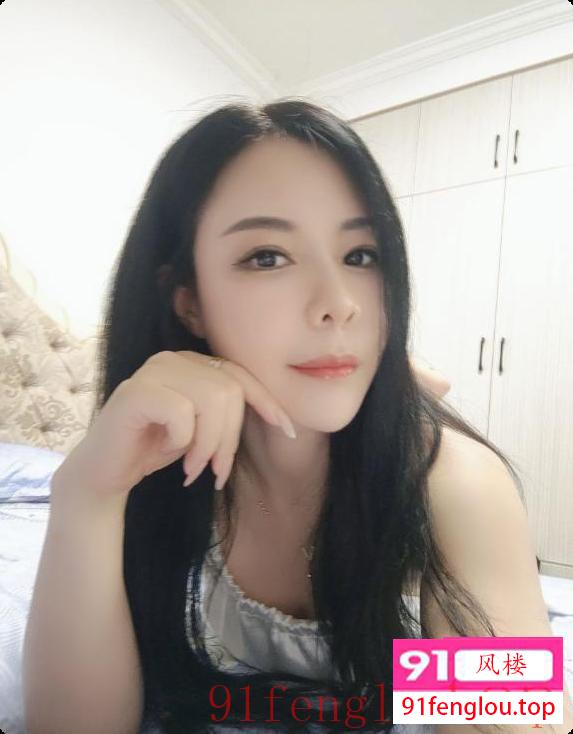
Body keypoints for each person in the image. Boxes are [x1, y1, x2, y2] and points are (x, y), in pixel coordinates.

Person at [23, 98, 572, 734]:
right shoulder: (159, 464)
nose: (339, 303)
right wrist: (86, 492)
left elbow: (501, 715)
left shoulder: (451, 482)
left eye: (361, 255)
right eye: (267, 256)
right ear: (188, 301)